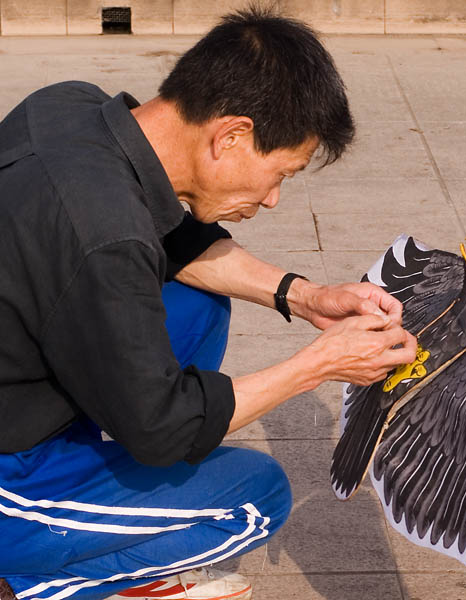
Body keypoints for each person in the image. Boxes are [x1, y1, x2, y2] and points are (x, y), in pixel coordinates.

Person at [0, 8, 417, 600]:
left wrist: (305, 297)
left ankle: (97, 493)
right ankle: (31, 583)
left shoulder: (67, 106)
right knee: (253, 499)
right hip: (11, 473)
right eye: (281, 173)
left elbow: (172, 238)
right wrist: (319, 364)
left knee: (198, 305)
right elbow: (163, 428)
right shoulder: (106, 237)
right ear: (231, 136)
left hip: (24, 383)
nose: (272, 199)